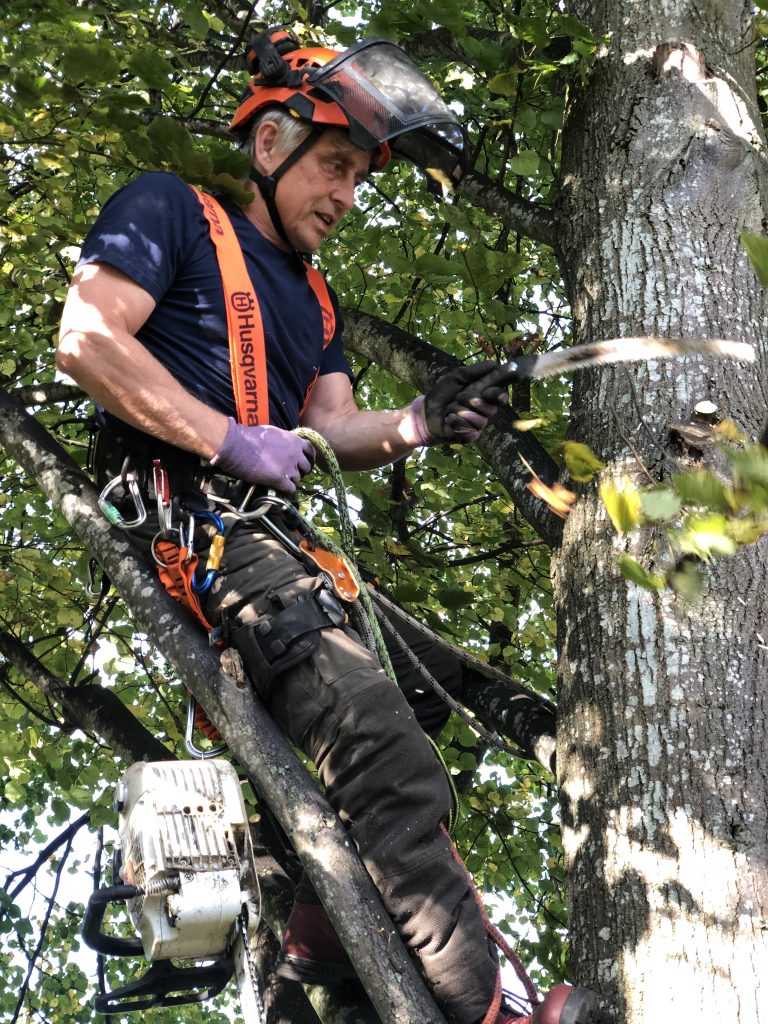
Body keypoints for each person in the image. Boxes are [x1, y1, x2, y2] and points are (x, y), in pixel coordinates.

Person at [57, 28, 601, 1024]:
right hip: (196, 518)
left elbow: (334, 428)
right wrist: (228, 438)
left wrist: (425, 421)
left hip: (274, 538)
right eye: (337, 166)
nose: (349, 196)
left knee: (429, 695)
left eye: (360, 176)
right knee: (381, 748)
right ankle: (494, 1008)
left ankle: (315, 956)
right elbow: (87, 337)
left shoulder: (312, 297)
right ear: (271, 145)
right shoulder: (169, 211)